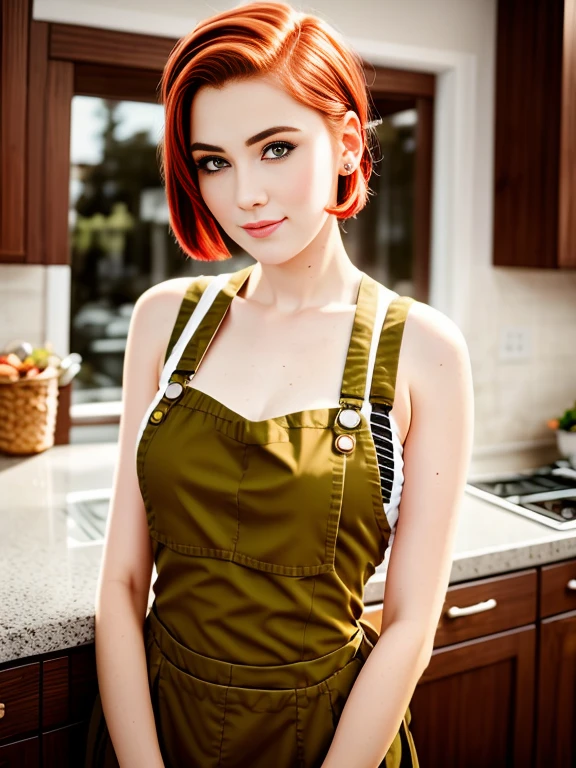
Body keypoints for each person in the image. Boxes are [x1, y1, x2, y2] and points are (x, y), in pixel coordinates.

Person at [85, 2, 474, 767]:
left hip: (330, 740)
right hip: (157, 727)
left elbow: (409, 626)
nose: (246, 196)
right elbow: (124, 585)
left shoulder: (424, 349)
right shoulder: (164, 321)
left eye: (276, 148)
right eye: (214, 161)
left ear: (347, 144)